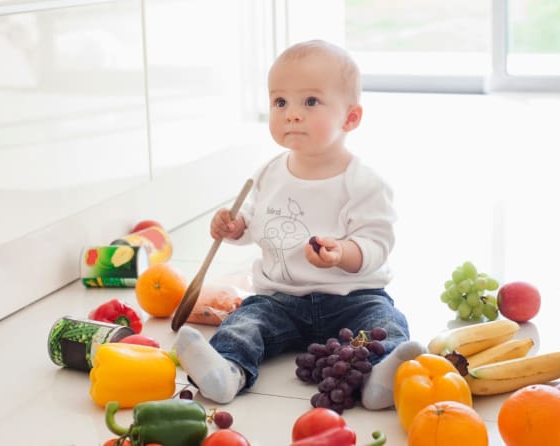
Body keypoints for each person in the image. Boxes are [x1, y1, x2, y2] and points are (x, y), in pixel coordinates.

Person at [173, 39, 426, 410]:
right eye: (280, 102)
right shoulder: (270, 173)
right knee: (245, 322)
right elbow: (259, 225)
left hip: (352, 298)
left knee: (384, 322)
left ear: (350, 118)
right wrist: (236, 226)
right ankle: (227, 370)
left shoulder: (364, 182)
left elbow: (375, 244)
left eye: (310, 102)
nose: (292, 114)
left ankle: (378, 379)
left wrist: (342, 252)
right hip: (280, 299)